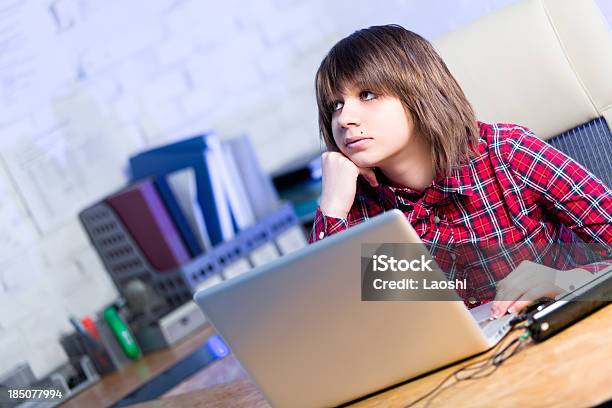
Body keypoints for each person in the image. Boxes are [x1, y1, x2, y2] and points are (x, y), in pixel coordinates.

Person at [308, 24, 612, 319]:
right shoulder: (353, 204)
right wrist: (332, 209)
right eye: (335, 105)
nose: (344, 118)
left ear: (419, 93)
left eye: (367, 95)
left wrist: (564, 282)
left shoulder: (506, 152)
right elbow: (330, 328)